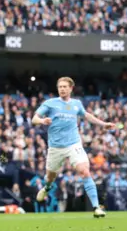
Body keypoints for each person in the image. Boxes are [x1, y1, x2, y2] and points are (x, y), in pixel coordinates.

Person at [32, 76, 116, 218]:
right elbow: (34, 119)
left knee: (84, 171)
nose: (62, 89)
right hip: (55, 148)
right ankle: (47, 188)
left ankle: (96, 208)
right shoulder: (50, 103)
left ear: (71, 88)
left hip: (73, 144)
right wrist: (42, 120)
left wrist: (103, 124)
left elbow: (86, 115)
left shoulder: (76, 104)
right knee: (50, 177)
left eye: (65, 87)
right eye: (60, 87)